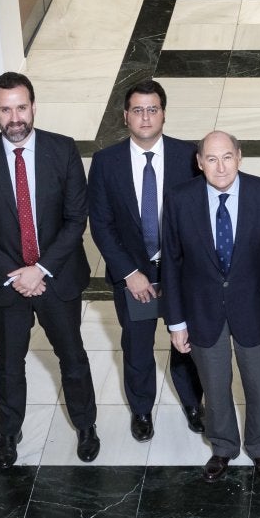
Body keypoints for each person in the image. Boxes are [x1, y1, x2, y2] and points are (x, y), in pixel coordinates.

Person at [0, 72, 99, 468]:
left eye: (21, 107)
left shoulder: (63, 150)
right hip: (7, 284)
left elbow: (76, 218)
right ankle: (9, 430)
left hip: (57, 278)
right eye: (6, 109)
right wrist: (16, 272)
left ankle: (86, 424)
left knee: (72, 357)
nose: (15, 117)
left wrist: (40, 269)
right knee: (9, 361)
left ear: (34, 107)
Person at [162, 131, 260, 484]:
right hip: (202, 311)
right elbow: (171, 263)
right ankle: (223, 446)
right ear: (199, 162)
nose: (221, 167)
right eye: (212, 159)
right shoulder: (179, 199)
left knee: (258, 384)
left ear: (240, 156)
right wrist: (176, 322)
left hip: (255, 309)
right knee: (215, 385)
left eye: (227, 157)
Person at [87, 80, 205, 443]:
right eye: (137, 110)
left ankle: (193, 403)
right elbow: (101, 224)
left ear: (164, 114)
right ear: (125, 116)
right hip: (133, 274)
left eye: (152, 109)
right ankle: (141, 409)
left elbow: (199, 216)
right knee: (137, 346)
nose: (145, 117)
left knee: (184, 340)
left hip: (180, 273)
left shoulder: (189, 157)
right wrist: (129, 273)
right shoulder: (107, 163)